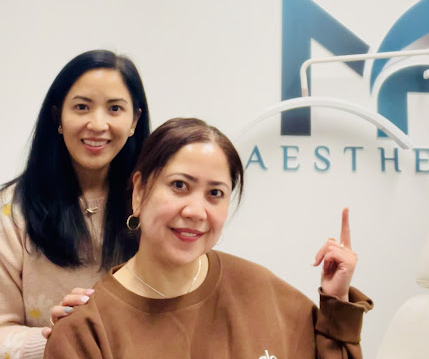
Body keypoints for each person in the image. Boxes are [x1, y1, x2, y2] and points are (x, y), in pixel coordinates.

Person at [44, 117, 373, 359]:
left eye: (215, 193)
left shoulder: (261, 290)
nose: (196, 211)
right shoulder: (87, 330)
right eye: (179, 186)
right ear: (139, 191)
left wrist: (337, 304)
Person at [0, 50, 150, 359]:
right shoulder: (11, 211)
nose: (97, 124)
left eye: (114, 108)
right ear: (57, 116)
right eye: (82, 107)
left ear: (134, 120)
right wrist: (62, 339)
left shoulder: (155, 204)